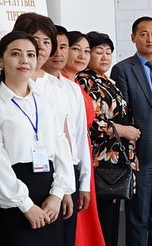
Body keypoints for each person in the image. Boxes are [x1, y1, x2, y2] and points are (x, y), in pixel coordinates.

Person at [0, 31, 74, 245]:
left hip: (48, 194)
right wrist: (25, 205)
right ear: (1, 61)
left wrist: (57, 193)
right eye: (16, 54)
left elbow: (60, 145)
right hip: (13, 197)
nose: (24, 60)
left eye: (30, 55)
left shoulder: (43, 100)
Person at [110, 17, 152, 246]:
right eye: (144, 34)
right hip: (141, 153)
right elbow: (122, 116)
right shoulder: (123, 70)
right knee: (139, 216)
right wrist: (131, 153)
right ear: (133, 38)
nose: (150, 39)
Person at [77, 31, 139, 246]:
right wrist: (123, 131)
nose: (104, 56)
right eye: (98, 52)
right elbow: (91, 122)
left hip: (117, 159)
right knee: (103, 219)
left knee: (112, 219)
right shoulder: (84, 81)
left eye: (108, 52)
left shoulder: (107, 80)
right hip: (100, 160)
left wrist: (131, 152)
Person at [43, 26, 100, 246]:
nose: (58, 53)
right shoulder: (36, 86)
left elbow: (80, 138)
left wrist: (83, 182)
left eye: (64, 47)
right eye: (53, 46)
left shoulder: (72, 88)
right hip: (47, 170)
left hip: (72, 170)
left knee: (69, 235)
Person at [63, 31, 106, 246]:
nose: (82, 55)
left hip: (85, 153)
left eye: (86, 51)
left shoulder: (76, 84)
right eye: (76, 49)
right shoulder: (60, 84)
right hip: (70, 154)